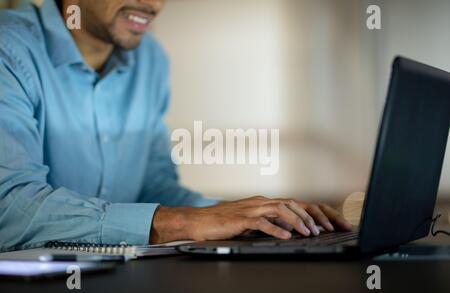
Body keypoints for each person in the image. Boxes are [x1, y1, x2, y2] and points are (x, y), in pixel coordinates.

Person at [0, 0, 352, 251]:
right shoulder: (9, 49)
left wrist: (252, 218)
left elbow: (154, 188)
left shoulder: (149, 58)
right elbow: (10, 209)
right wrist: (182, 223)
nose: (153, 4)